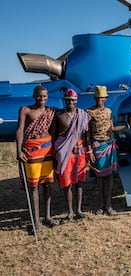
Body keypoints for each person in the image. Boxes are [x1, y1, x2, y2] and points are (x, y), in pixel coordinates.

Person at [86, 85, 131, 215]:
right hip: (97, 146)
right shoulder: (89, 112)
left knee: (109, 176)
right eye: (98, 98)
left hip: (109, 145)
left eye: (102, 98)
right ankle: (102, 205)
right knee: (100, 176)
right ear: (94, 98)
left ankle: (108, 205)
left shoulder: (108, 112)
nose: (99, 100)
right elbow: (87, 133)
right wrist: (89, 149)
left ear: (105, 99)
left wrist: (127, 125)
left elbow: (112, 128)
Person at [16, 85, 58, 230]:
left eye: (45, 96)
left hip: (47, 150)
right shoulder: (25, 110)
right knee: (33, 186)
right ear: (34, 96)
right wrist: (18, 151)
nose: (42, 99)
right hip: (31, 151)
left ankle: (47, 217)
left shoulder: (51, 111)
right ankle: (36, 221)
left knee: (47, 183)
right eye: (40, 96)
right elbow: (20, 130)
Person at [51, 89, 90, 222]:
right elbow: (54, 136)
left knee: (79, 182)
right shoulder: (59, 115)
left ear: (76, 101)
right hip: (64, 153)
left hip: (79, 152)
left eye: (73, 100)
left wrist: (88, 150)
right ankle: (70, 212)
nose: (70, 102)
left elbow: (86, 135)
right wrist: (55, 155)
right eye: (68, 100)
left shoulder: (82, 115)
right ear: (64, 100)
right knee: (67, 183)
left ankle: (78, 210)